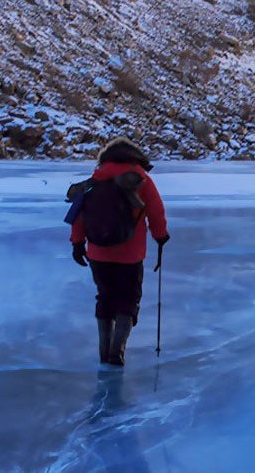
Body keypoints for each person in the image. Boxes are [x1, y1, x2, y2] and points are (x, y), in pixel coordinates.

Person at [67, 138, 169, 367]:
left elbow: (79, 213)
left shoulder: (96, 178)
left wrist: (77, 243)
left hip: (98, 253)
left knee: (105, 297)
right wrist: (160, 236)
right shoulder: (140, 178)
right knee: (128, 299)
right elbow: (155, 210)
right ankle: (117, 351)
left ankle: (104, 351)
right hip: (130, 254)